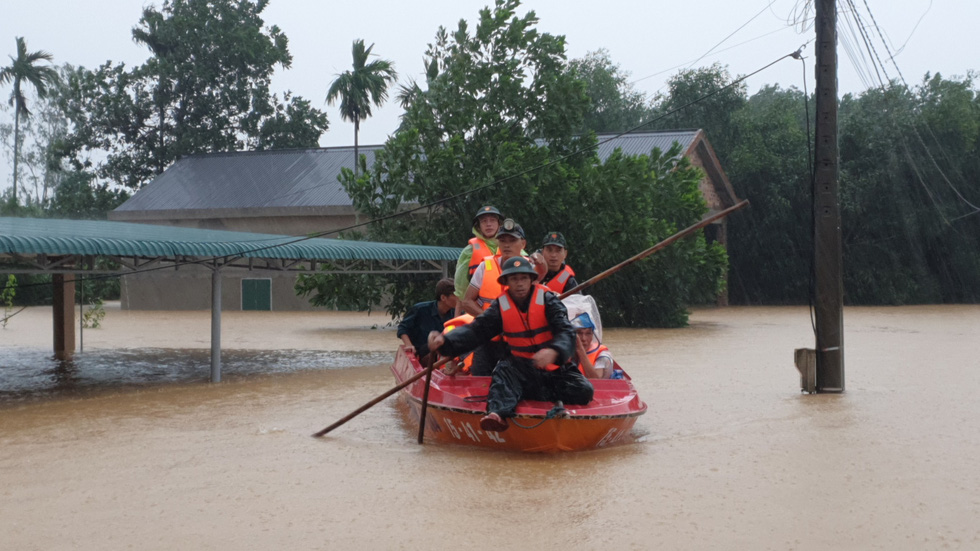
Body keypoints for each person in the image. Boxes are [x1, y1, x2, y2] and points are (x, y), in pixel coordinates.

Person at [427, 256, 595, 432]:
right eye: (514, 279)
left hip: (553, 369)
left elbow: (566, 331)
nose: (520, 284)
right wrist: (444, 342)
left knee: (584, 391)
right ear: (506, 282)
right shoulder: (500, 306)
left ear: (531, 280)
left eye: (523, 278)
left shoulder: (549, 301)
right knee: (503, 374)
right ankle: (497, 414)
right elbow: (476, 331)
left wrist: (554, 351)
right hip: (520, 368)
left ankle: (532, 394)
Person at [460, 219, 528, 376]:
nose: (506, 245)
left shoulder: (531, 268)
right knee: (480, 378)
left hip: (518, 340)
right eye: (502, 240)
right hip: (488, 338)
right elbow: (467, 302)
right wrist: (489, 320)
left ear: (523, 244)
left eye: (512, 240)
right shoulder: (485, 266)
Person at [453, 205, 504, 313]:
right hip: (476, 312)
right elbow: (460, 289)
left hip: (508, 311)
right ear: (478, 226)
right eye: (484, 221)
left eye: (492, 220)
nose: (488, 224)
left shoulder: (511, 246)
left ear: (499, 224)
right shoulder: (469, 251)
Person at [397, 278, 458, 363]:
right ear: (443, 297)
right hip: (424, 353)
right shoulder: (420, 309)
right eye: (456, 294)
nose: (459, 298)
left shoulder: (457, 313)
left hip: (446, 354)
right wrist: (409, 345)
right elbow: (403, 328)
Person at [570, 312, 616, 379]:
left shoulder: (602, 356)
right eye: (579, 333)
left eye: (588, 333)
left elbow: (595, 381)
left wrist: (581, 352)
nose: (583, 339)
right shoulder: (565, 350)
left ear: (592, 335)